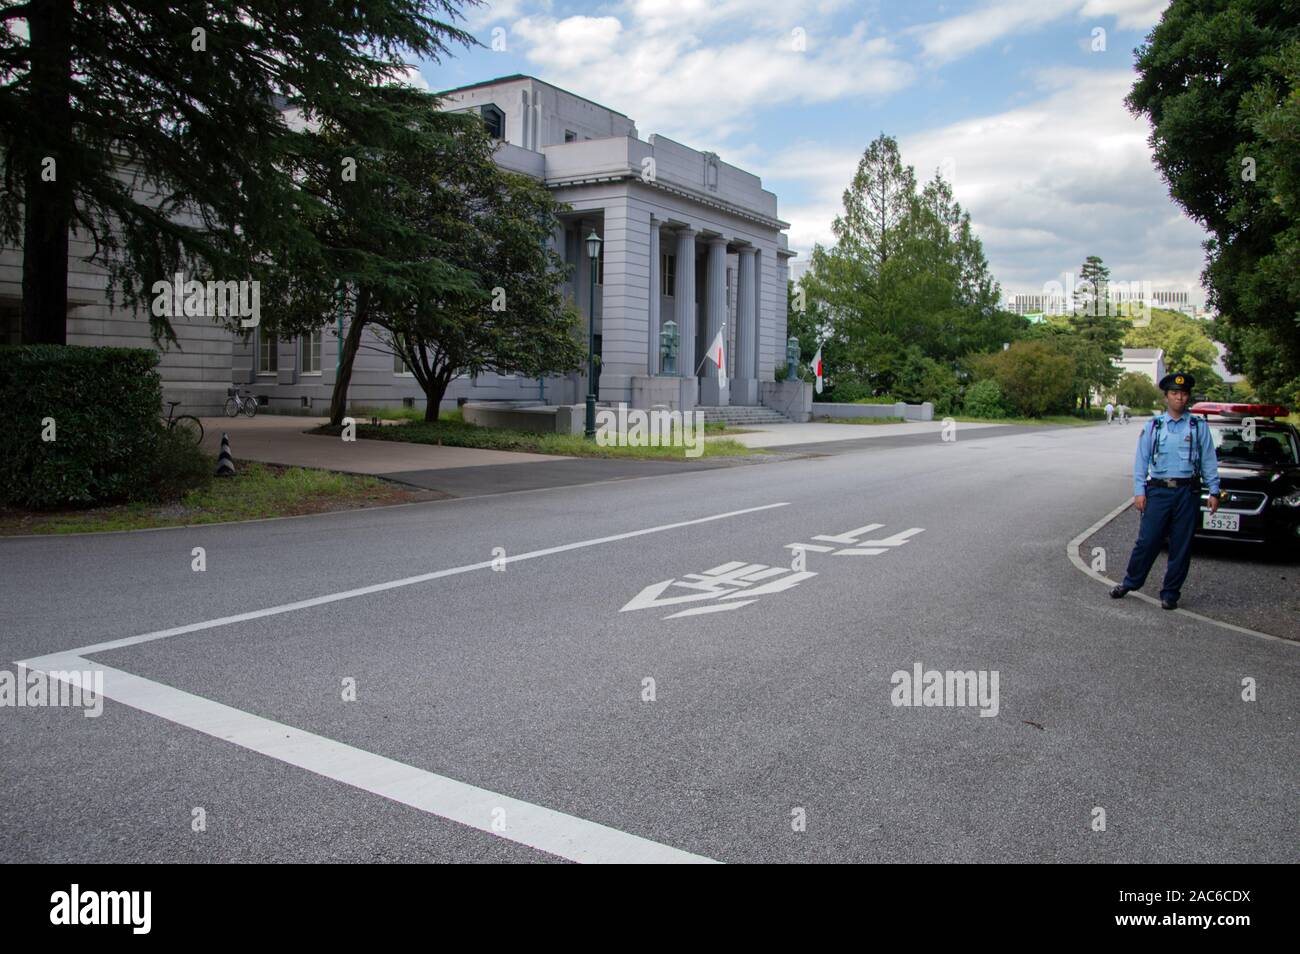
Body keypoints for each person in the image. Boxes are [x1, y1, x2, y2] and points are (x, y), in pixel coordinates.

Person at [1110, 373, 1221, 610]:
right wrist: (1139, 491)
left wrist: (1214, 490)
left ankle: (1170, 593)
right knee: (1147, 541)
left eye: (1183, 394)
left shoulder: (1198, 426)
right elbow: (1141, 460)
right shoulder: (1154, 426)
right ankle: (1131, 582)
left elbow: (1209, 460)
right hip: (1159, 492)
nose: (1179, 398)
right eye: (1174, 393)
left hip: (1187, 493)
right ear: (1166, 397)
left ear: (1188, 396)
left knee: (1181, 544)